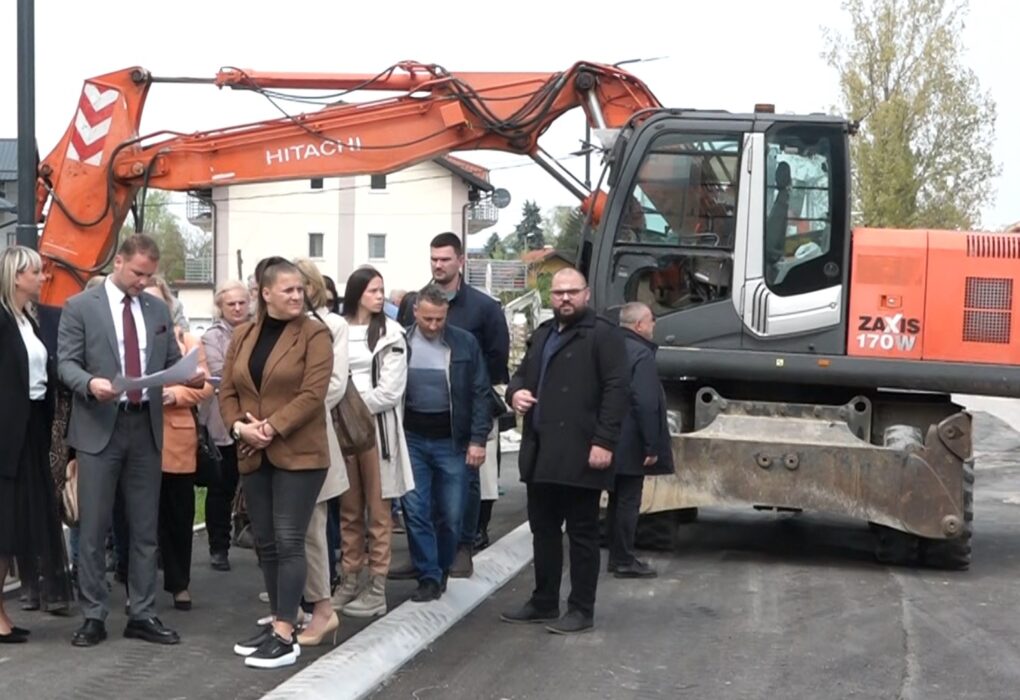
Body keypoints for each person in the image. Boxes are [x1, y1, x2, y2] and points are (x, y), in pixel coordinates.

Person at [58, 234, 203, 648]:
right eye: (138, 273)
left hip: (145, 427)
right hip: (99, 425)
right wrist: (90, 383)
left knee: (144, 527)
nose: (143, 281)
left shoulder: (158, 309)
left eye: (149, 275)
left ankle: (142, 612)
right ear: (118, 262)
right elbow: (65, 363)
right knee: (93, 527)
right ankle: (93, 614)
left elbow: (171, 363)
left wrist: (187, 375)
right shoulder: (80, 307)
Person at [220, 257, 333, 669]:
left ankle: (287, 632)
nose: (296, 296)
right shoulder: (245, 334)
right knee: (265, 542)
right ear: (264, 293)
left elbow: (313, 392)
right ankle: (279, 621)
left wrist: (269, 427)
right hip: (252, 451)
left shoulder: (314, 334)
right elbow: (227, 388)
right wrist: (238, 428)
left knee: (289, 539)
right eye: (287, 290)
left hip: (298, 453)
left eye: (300, 289)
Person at [501, 268, 628, 635]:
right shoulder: (543, 335)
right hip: (541, 452)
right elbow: (523, 374)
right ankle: (543, 601)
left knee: (583, 534)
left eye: (572, 292)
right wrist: (515, 394)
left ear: (586, 294)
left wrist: (604, 442)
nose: (565, 299)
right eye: (558, 293)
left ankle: (581, 609)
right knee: (543, 531)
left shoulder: (603, 335)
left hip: (582, 451)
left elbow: (617, 391)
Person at [410, 232, 510, 579]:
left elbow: (497, 360)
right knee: (421, 495)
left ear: (460, 261)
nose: (438, 265)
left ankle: (463, 546)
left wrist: (479, 423)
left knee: (466, 486)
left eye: (445, 259)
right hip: (422, 420)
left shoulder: (483, 308)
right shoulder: (418, 300)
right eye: (434, 259)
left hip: (468, 414)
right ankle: (427, 554)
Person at [0, 246, 74, 642]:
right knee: (6, 527)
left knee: (15, 528)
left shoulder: (29, 320)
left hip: (29, 431)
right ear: (15, 276)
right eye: (35, 272)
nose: (42, 278)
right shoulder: (2, 319)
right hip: (7, 436)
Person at [331, 266, 413, 618]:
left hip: (376, 431)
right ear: (356, 293)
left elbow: (391, 391)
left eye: (382, 291)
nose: (380, 297)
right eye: (373, 291)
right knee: (349, 510)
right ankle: (349, 579)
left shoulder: (391, 333)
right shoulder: (336, 329)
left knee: (379, 513)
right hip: (341, 430)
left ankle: (377, 588)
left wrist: (348, 406)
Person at [401, 284, 491, 602]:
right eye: (427, 319)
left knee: (452, 513)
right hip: (411, 438)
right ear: (415, 312)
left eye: (439, 319)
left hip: (452, 440)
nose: (433, 326)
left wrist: (478, 439)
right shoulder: (400, 343)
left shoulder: (464, 344)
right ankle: (429, 574)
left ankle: (441, 567)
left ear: (447, 314)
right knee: (414, 508)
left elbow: (481, 393)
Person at [143, 276, 214, 609]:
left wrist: (177, 394)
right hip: (138, 437)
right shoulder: (126, 340)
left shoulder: (188, 341)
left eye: (157, 300)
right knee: (140, 519)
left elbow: (206, 386)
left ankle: (179, 583)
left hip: (177, 440)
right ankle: (138, 589)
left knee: (178, 516)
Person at [293, 258, 347, 647]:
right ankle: (289, 609)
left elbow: (334, 385)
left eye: (298, 287)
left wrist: (285, 415)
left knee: (313, 528)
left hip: (311, 436)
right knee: (281, 532)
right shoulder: (275, 328)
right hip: (275, 440)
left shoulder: (333, 326)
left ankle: (321, 611)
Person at [608, 302, 674, 579]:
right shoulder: (642, 355)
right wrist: (651, 444)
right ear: (639, 326)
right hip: (631, 440)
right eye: (651, 320)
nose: (654, 325)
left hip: (608, 437)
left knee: (613, 499)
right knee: (628, 501)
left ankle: (616, 555)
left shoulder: (609, 348)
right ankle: (623, 558)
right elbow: (646, 402)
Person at [199, 279, 251, 571]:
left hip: (258, 419)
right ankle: (219, 546)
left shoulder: (260, 330)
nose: (237, 308)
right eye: (230, 303)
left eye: (242, 302)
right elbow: (219, 373)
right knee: (221, 487)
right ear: (220, 307)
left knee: (258, 487)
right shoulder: (213, 337)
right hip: (222, 423)